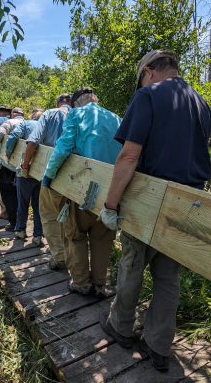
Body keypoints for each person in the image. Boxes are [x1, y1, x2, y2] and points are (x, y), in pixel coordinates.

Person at [98, 50, 211, 371]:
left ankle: (120, 326)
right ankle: (159, 345)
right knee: (168, 276)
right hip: (189, 202)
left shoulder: (148, 95)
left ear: (147, 72)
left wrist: (110, 204)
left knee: (132, 264)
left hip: (150, 198)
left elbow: (129, 157)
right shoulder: (201, 103)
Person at [43, 87, 122, 298]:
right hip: (110, 193)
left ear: (76, 103)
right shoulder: (116, 118)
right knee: (103, 238)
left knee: (75, 236)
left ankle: (81, 283)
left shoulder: (75, 114)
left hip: (82, 191)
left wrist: (48, 176)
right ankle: (99, 284)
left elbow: (63, 147)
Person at [21, 94, 72, 270]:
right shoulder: (79, 114)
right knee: (69, 218)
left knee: (49, 216)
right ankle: (74, 257)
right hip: (76, 177)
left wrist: (26, 165)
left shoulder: (50, 114)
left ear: (58, 104)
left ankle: (59, 258)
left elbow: (33, 141)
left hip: (53, 173)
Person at [5, 108, 45, 245]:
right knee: (38, 205)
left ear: (32, 115)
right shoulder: (47, 126)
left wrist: (8, 153)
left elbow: (13, 137)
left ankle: (20, 230)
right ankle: (38, 235)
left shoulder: (26, 124)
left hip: (24, 170)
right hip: (41, 173)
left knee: (23, 203)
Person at [0, 107, 26, 231]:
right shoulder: (28, 123)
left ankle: (13, 222)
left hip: (9, 164)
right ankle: (22, 223)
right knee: (20, 195)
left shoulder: (10, 122)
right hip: (24, 166)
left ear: (12, 115)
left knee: (8, 193)